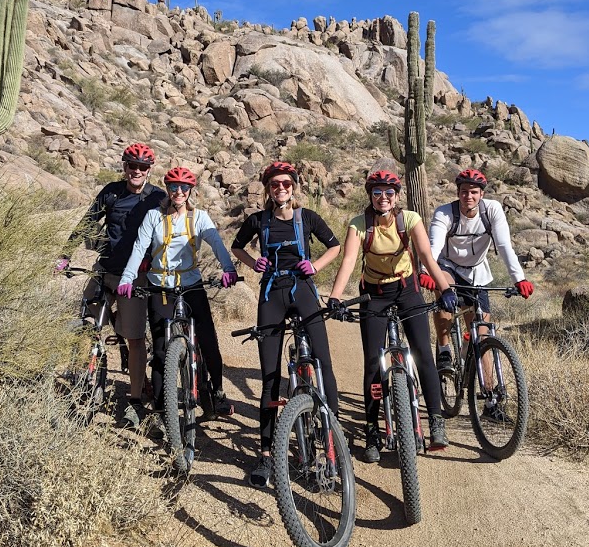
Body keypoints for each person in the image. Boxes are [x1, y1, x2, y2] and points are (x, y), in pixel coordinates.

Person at [327, 167, 456, 461]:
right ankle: (372, 429)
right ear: (370, 197)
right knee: (373, 362)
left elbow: (425, 255)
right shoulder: (360, 224)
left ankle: (435, 421)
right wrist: (335, 297)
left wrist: (444, 287)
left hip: (407, 290)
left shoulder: (409, 219)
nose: (383, 198)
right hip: (373, 294)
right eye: (377, 193)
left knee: (423, 352)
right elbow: (348, 261)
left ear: (396, 196)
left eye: (388, 193)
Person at [231, 161, 341, 489]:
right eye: (275, 184)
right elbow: (237, 246)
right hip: (271, 293)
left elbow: (334, 246)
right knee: (269, 377)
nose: (281, 189)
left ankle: (332, 446)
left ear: (294, 186)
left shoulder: (307, 218)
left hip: (303, 290)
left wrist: (315, 265)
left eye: (286, 184)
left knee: (323, 364)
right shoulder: (258, 220)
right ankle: (266, 454)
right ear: (268, 189)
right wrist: (253, 263)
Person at [117, 165, 238, 427]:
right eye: (174, 187)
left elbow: (216, 242)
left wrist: (228, 268)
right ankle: (162, 411)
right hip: (160, 287)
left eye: (184, 187)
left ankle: (216, 391)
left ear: (190, 190)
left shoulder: (199, 217)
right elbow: (140, 247)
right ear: (168, 189)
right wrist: (127, 278)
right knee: (161, 350)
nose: (179, 191)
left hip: (191, 284)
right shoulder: (153, 216)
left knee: (208, 341)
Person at [56, 143, 166, 427]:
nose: (137, 171)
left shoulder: (157, 198)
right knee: (86, 324)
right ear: (125, 167)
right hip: (105, 269)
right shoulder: (111, 192)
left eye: (143, 167)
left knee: (134, 337)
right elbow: (88, 222)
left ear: (149, 170)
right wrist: (65, 255)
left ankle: (135, 401)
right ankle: (87, 378)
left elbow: (172, 230)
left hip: (136, 276)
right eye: (132, 166)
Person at [421, 168, 534, 420]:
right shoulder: (445, 213)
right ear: (457, 193)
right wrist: (425, 272)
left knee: (483, 336)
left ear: (481, 194)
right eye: (463, 192)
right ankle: (443, 348)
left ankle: (490, 401)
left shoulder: (491, 210)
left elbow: (504, 245)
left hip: (477, 273)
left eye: (473, 192)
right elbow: (433, 247)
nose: (468, 197)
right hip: (447, 267)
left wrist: (520, 278)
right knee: (445, 295)